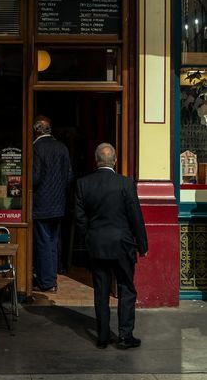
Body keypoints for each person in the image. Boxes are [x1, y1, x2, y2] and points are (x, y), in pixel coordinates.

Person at [75, 142, 148, 350]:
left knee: (101, 291)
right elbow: (136, 216)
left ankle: (103, 336)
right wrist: (142, 244)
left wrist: (88, 239)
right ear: (114, 161)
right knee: (126, 288)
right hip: (122, 245)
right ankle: (125, 336)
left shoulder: (83, 183)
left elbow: (80, 219)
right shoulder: (125, 184)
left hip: (97, 246)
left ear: (96, 160)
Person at [32, 115, 73, 293]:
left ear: (35, 130)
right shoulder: (61, 147)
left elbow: (35, 177)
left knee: (43, 242)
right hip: (58, 203)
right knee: (53, 241)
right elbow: (69, 176)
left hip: (41, 203)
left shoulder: (36, 148)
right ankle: (52, 277)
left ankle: (46, 282)